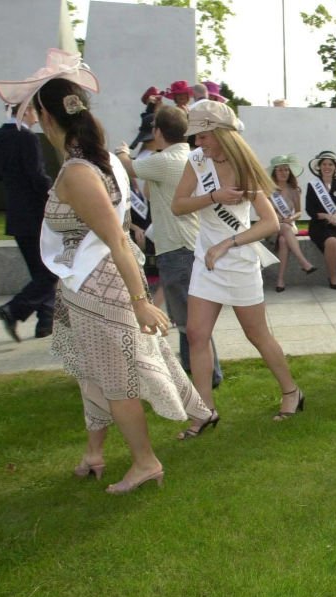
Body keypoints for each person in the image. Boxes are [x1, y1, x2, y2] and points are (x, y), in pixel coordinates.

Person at [0, 49, 212, 493]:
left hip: (99, 285)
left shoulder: (78, 171)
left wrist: (141, 302)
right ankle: (95, 452)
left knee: (116, 380)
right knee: (96, 374)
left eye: (36, 115)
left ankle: (145, 461)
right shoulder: (100, 161)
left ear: (50, 120)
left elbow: (116, 239)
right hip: (86, 283)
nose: (33, 122)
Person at [171, 100, 304, 433]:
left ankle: (291, 391)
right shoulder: (197, 161)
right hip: (207, 262)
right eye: (196, 137)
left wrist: (227, 243)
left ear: (219, 133)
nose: (197, 143)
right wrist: (215, 197)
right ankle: (204, 411)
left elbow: (270, 223)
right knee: (197, 334)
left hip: (239, 261)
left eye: (202, 136)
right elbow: (178, 205)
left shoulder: (246, 166)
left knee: (256, 334)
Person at [115, 106, 225, 389]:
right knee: (192, 318)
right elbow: (152, 190)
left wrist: (124, 150)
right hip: (192, 244)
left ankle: (206, 374)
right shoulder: (193, 158)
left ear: (158, 132)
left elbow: (127, 166)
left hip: (177, 248)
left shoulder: (164, 160)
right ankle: (201, 371)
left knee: (189, 321)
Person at [0, 102, 55, 341]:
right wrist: (56, 195)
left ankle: (46, 321)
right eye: (35, 110)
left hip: (15, 214)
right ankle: (13, 310)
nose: (37, 116)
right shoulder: (26, 138)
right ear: (25, 111)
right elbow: (37, 175)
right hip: (36, 214)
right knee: (51, 272)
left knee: (41, 273)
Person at [268, 154, 316, 291]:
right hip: (272, 226)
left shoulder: (294, 190)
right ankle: (303, 262)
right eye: (280, 170)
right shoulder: (268, 190)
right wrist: (278, 218)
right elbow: (263, 213)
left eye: (286, 170)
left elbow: (299, 212)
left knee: (284, 240)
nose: (284, 173)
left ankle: (280, 279)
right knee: (284, 232)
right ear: (274, 172)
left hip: (289, 225)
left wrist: (291, 218)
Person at [305, 151, 336, 289]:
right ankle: (333, 276)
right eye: (324, 164)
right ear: (319, 167)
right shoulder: (313, 185)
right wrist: (326, 216)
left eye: (330, 164)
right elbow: (310, 210)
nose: (327, 167)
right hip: (319, 225)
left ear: (335, 167)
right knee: (331, 242)